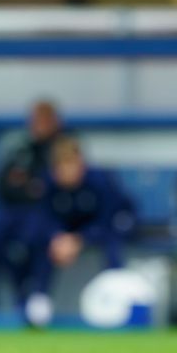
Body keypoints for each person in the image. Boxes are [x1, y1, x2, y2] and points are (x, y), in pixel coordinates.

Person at [25, 136, 136, 326]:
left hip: (108, 225)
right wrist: (57, 237)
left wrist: (79, 239)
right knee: (36, 238)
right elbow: (44, 217)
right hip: (69, 232)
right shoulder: (49, 185)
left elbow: (107, 221)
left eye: (72, 165)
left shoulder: (101, 182)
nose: (68, 172)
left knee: (113, 240)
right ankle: (38, 298)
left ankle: (117, 297)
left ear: (81, 164)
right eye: (62, 167)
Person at [0, 100, 63, 309]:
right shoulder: (20, 148)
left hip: (47, 214)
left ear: (54, 123)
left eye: (44, 122)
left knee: (36, 239)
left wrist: (29, 187)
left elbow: (53, 190)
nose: (39, 126)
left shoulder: (61, 149)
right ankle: (20, 282)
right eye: (36, 121)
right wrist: (31, 188)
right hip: (13, 212)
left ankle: (38, 294)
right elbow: (3, 186)